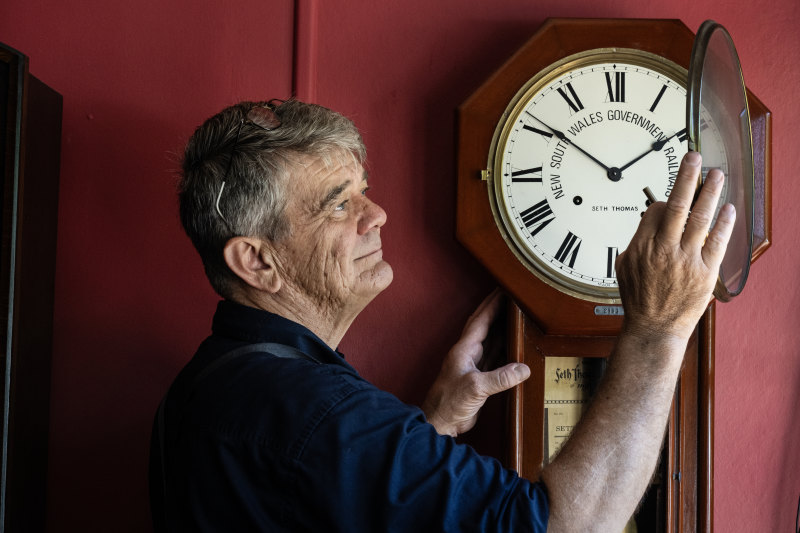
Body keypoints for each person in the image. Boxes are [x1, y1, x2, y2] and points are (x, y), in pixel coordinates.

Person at [149, 99, 734, 532]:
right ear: (256, 260)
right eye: (338, 203)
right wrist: (659, 327)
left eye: (364, 190)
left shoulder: (214, 381)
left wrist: (430, 427)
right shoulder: (312, 408)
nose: (375, 214)